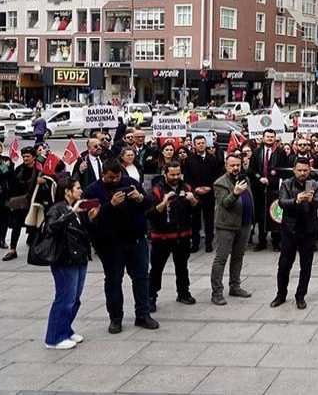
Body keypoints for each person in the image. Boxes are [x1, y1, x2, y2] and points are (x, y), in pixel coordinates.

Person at [83, 160, 158, 333]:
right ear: (103, 175)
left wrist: (140, 198)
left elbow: (148, 204)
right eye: (110, 177)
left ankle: (143, 315)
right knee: (114, 281)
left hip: (136, 239)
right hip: (110, 244)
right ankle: (115, 318)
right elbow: (91, 221)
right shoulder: (93, 190)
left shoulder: (130, 183)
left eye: (117, 176)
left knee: (141, 278)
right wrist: (110, 205)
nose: (115, 180)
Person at [42, 178, 99, 350]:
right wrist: (71, 212)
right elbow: (51, 228)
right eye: (78, 188)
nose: (81, 191)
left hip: (79, 257)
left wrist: (90, 217)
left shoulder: (76, 208)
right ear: (67, 191)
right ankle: (53, 338)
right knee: (64, 299)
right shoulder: (57, 208)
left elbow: (82, 232)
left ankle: (65, 329)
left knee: (74, 299)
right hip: (64, 259)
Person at [272, 158, 318, 309]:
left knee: (306, 266)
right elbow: (282, 202)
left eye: (305, 170)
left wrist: (312, 199)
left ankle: (300, 296)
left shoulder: (314, 185)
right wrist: (296, 200)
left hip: (308, 230)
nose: (302, 173)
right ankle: (280, 294)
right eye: (299, 170)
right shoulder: (286, 184)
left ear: (309, 170)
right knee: (284, 265)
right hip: (289, 230)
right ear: (294, 170)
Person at [146, 161, 198, 312]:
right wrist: (164, 202)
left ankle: (183, 293)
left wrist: (192, 200)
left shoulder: (186, 187)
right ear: (165, 174)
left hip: (182, 236)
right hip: (161, 237)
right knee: (156, 268)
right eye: (172, 174)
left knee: (182, 267)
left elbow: (196, 210)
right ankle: (151, 297)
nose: (175, 177)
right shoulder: (156, 190)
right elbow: (150, 214)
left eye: (178, 174)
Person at [210, 154, 253, 305]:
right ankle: (217, 292)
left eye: (238, 165)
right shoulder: (220, 183)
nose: (235, 168)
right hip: (226, 226)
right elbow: (225, 204)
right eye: (232, 165)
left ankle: (235, 286)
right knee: (221, 259)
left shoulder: (244, 178)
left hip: (245, 224)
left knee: (238, 257)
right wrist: (235, 193)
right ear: (226, 166)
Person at [185, 135, 223, 253]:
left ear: (206, 144)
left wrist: (210, 188)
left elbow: (217, 176)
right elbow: (187, 177)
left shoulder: (213, 159)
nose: (201, 145)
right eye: (198, 143)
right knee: (195, 220)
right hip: (195, 195)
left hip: (209, 194)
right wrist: (195, 189)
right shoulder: (189, 160)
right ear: (194, 145)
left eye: (203, 143)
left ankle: (208, 243)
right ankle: (195, 243)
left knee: (209, 220)